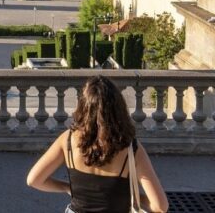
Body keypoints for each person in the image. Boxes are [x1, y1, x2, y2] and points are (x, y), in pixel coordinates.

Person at [27, 76, 168, 213]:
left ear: (83, 106)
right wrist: (133, 199)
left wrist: (67, 188)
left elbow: (34, 180)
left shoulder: (68, 139)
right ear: (119, 108)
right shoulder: (131, 148)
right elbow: (160, 207)